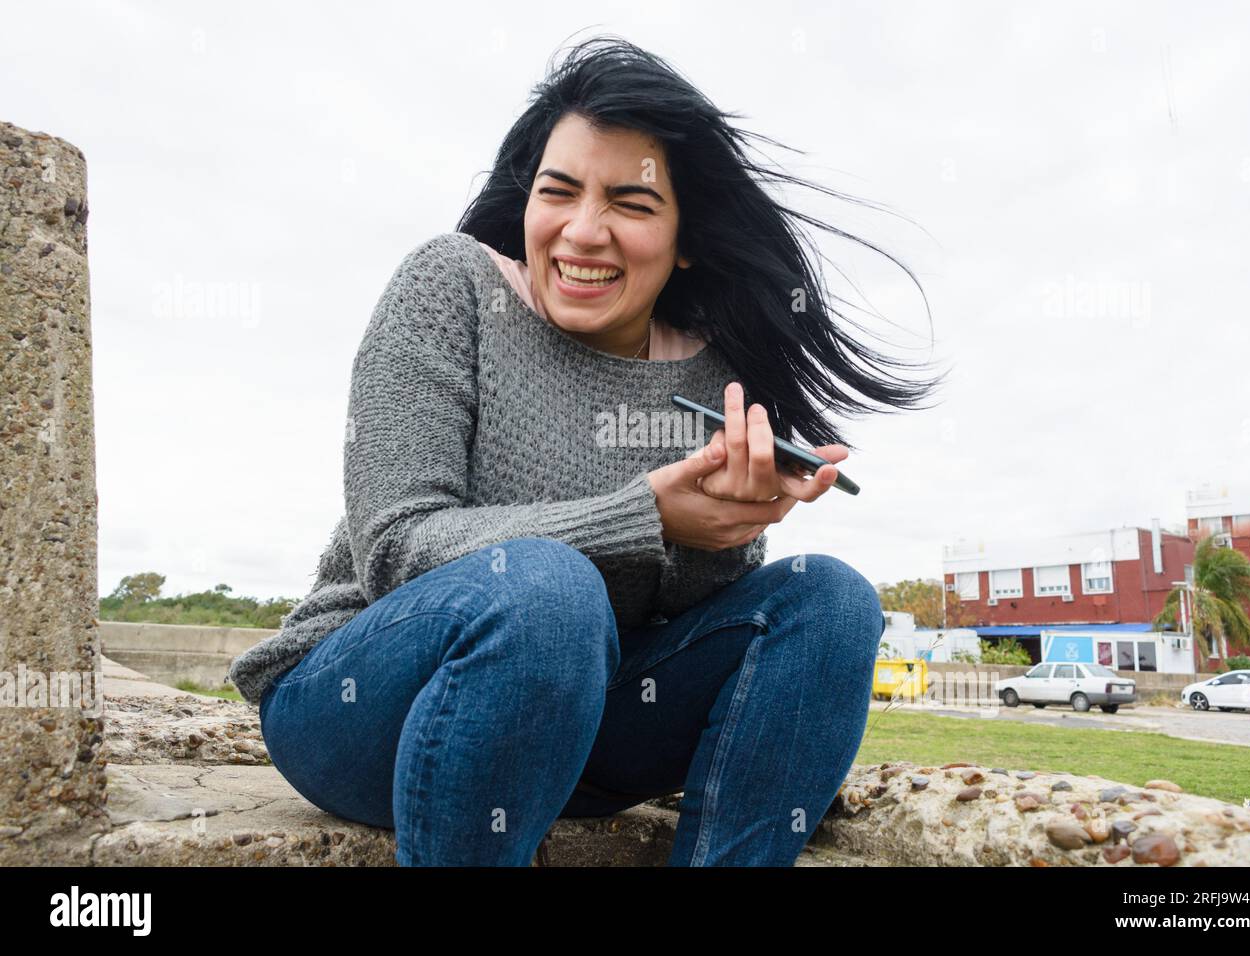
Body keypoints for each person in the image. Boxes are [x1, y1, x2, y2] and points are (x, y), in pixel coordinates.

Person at [229, 34, 945, 866]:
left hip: (576, 729)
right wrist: (644, 513)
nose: (583, 231)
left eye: (631, 205)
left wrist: (713, 530)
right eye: (558, 192)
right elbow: (395, 546)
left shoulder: (717, 373)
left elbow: (688, 617)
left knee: (831, 598)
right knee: (544, 586)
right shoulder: (449, 286)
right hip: (357, 710)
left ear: (685, 238)